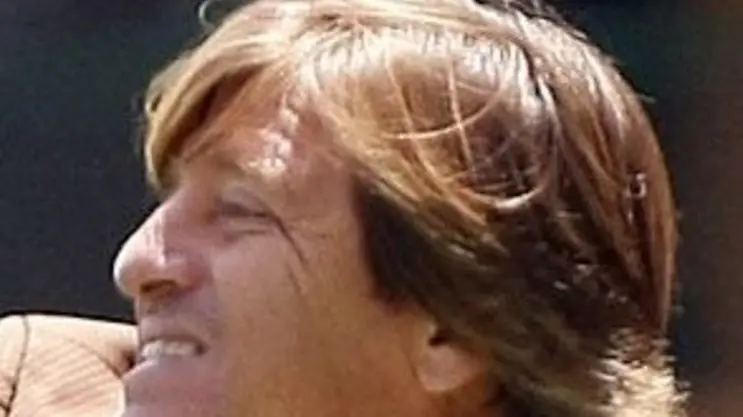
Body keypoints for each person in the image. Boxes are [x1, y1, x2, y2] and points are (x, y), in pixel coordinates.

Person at [3, 0, 688, 417]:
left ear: (455, 332)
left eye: (240, 208)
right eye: (173, 196)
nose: (136, 264)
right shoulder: (31, 388)